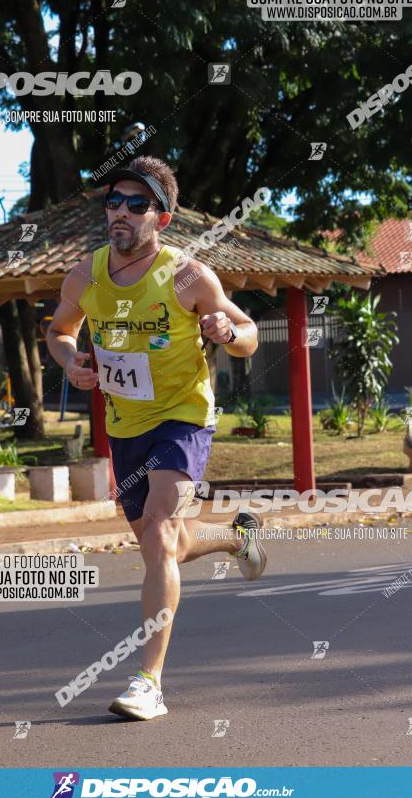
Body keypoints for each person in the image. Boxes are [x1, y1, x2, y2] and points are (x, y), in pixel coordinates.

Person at [47, 155, 266, 721]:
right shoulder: (85, 274)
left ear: (161, 219)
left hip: (183, 417)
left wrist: (228, 331)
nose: (120, 211)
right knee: (161, 543)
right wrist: (72, 362)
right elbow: (59, 331)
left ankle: (149, 681)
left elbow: (247, 334)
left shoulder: (189, 276)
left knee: (163, 533)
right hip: (126, 426)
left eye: (136, 203)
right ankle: (238, 539)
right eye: (113, 201)